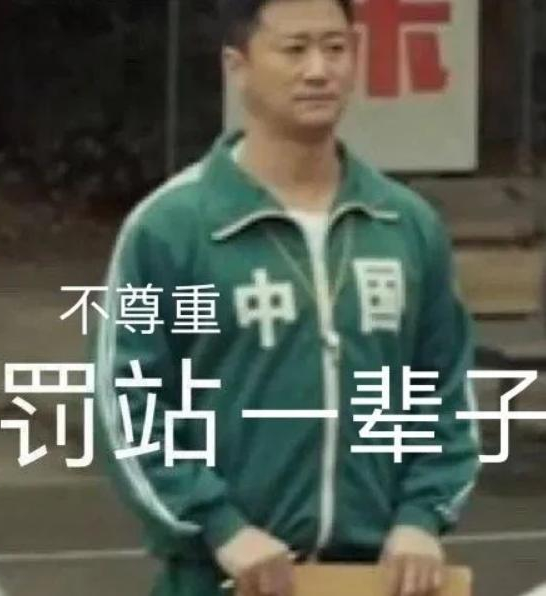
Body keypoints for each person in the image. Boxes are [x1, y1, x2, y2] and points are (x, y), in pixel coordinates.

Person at [94, 1, 480, 595]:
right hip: (224, 577)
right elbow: (128, 404)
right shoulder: (172, 227)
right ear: (238, 66)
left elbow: (442, 387)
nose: (318, 70)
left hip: (375, 579)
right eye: (295, 49)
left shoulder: (404, 224)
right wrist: (220, 527)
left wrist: (421, 517)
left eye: (335, 48)